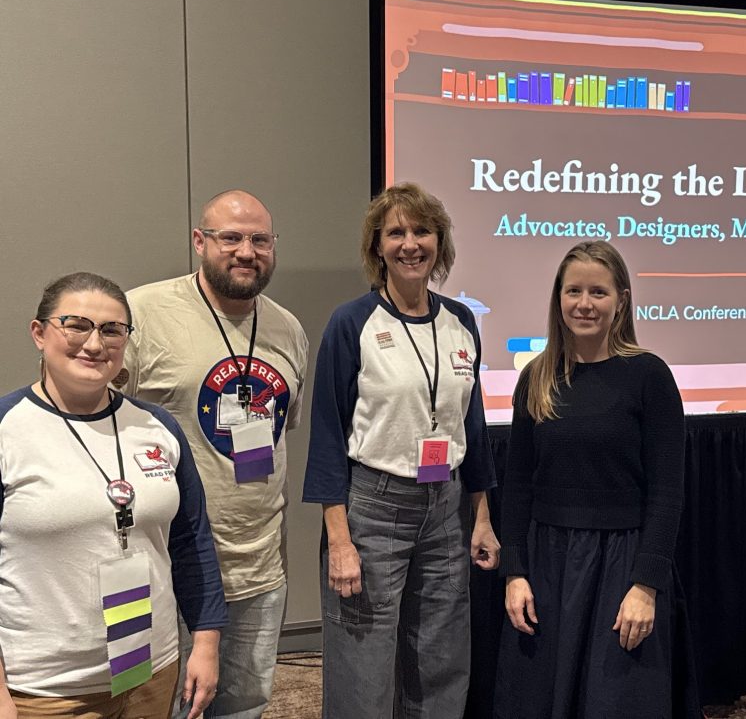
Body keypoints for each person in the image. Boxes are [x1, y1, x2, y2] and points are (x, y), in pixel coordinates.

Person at [303, 182, 500, 718]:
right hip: (373, 507)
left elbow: (472, 428)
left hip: (446, 506)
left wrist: (481, 519)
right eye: (396, 232)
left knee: (440, 658)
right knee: (362, 663)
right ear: (377, 247)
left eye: (422, 231)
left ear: (440, 243)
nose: (410, 243)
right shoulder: (352, 323)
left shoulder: (461, 322)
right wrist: (339, 542)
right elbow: (327, 435)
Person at [0, 272, 226, 719]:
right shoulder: (8, 429)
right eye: (75, 325)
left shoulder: (157, 426)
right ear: (39, 333)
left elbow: (191, 541)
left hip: (150, 669)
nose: (94, 343)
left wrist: (205, 641)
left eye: (111, 330)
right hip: (45, 690)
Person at [494, 241, 701, 719]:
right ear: (558, 298)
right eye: (574, 291)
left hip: (623, 565)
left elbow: (667, 493)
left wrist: (645, 585)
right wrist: (515, 572)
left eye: (598, 292)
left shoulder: (650, 376)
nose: (584, 303)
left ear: (621, 301)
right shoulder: (536, 378)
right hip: (548, 564)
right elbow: (519, 485)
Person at [122, 190, 309, 719]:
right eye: (230, 237)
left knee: (244, 703)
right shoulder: (144, 313)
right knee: (161, 704)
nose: (246, 251)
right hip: (169, 560)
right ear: (199, 242)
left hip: (260, 562)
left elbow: (278, 430)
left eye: (259, 239)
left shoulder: (288, 328)